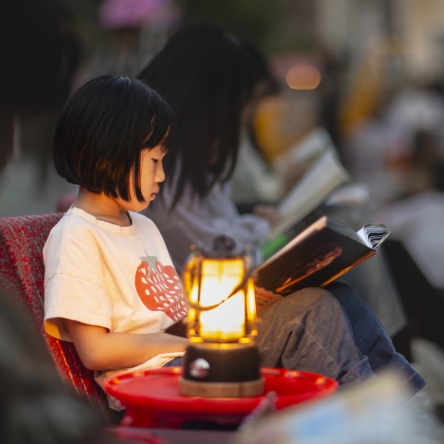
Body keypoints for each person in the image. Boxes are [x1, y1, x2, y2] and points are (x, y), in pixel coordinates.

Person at [43, 74, 401, 419]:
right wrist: (196, 342)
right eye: (155, 160)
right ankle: (368, 420)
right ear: (107, 154)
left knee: (334, 296)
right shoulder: (76, 235)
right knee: (309, 312)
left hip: (190, 356)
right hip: (157, 380)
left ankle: (398, 398)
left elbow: (177, 316)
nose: (163, 175)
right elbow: (95, 351)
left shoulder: (144, 227)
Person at [137, 23, 423, 393]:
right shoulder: (164, 175)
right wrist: (264, 228)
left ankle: (401, 395)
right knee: (318, 301)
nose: (246, 114)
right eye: (245, 101)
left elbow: (223, 228)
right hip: (207, 320)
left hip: (225, 300)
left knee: (341, 288)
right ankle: (377, 406)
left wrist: (258, 226)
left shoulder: (194, 168)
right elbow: (220, 249)